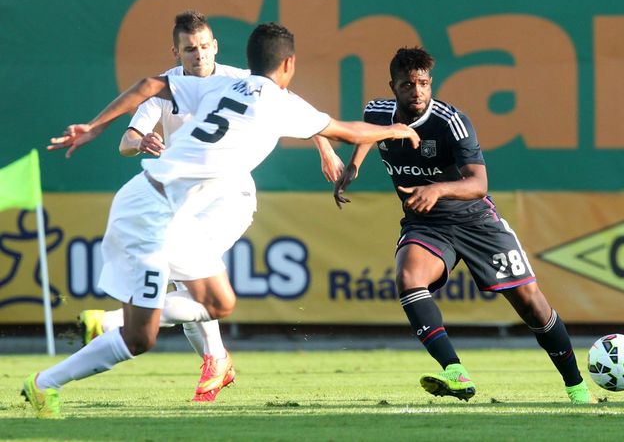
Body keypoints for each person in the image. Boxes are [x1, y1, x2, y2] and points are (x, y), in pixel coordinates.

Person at [22, 22, 419, 419]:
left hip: (168, 211)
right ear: (289, 63)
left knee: (219, 302)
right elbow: (348, 131)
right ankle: (48, 382)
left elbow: (146, 84)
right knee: (139, 338)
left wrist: (94, 127)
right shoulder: (276, 101)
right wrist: (395, 129)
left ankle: (90, 351)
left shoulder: (223, 85)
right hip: (152, 213)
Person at [77, 10, 345, 403]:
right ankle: (216, 359)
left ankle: (127, 325)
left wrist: (324, 147)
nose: (198, 55)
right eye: (190, 49)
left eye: (204, 46)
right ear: (177, 51)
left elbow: (298, 110)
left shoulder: (238, 80)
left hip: (228, 196)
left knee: (192, 283)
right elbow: (127, 141)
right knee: (187, 286)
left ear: (215, 46)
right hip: (182, 201)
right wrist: (141, 142)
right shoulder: (169, 87)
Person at [333, 47, 595, 404]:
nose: (418, 91)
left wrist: (438, 188)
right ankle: (455, 372)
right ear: (392, 86)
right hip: (426, 224)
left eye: (424, 83)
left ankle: (577, 387)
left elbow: (479, 184)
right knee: (408, 279)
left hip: (475, 222)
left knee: (532, 305)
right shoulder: (377, 111)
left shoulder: (451, 122)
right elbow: (370, 132)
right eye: (408, 84)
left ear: (431, 83)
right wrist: (354, 165)